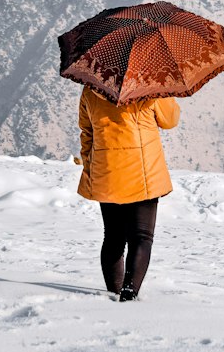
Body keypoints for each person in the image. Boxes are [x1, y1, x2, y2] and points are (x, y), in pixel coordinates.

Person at [76, 85, 180, 301]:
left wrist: (90, 163)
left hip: (106, 170)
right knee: (141, 236)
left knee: (113, 237)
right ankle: (129, 294)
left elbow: (87, 132)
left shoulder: (91, 88)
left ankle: (113, 292)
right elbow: (170, 121)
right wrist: (164, 89)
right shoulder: (151, 87)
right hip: (144, 172)